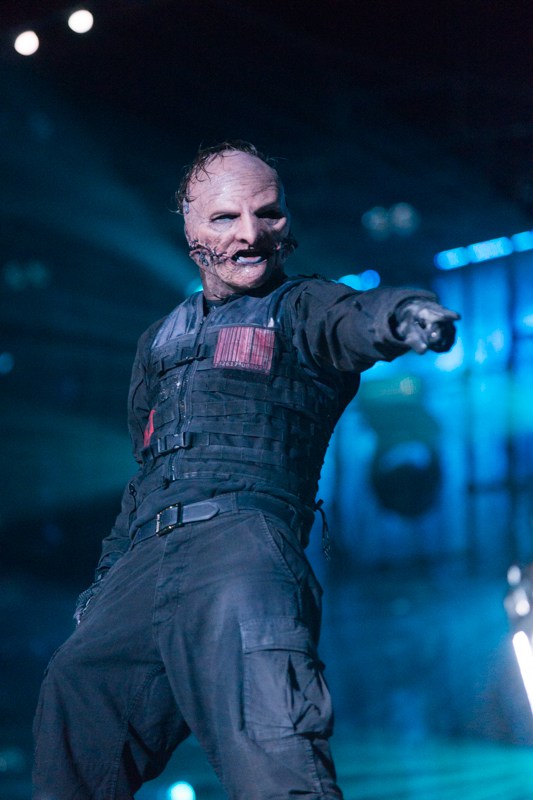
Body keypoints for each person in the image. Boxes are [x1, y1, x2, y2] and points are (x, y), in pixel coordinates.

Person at [32, 140, 459, 800]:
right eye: (226, 217)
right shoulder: (159, 340)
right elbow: (147, 473)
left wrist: (405, 315)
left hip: (241, 550)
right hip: (144, 560)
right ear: (190, 227)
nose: (251, 234)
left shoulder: (301, 306)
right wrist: (105, 587)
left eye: (269, 214)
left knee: (273, 756)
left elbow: (354, 317)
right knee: (75, 694)